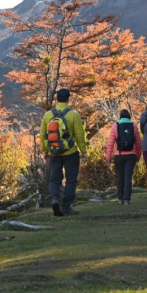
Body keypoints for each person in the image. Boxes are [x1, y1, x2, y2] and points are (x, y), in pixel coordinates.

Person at [40, 88, 87, 216]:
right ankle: (66, 207)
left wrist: (45, 151)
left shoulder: (48, 115)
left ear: (56, 99)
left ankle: (55, 200)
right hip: (70, 153)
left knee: (54, 180)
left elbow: (43, 134)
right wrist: (83, 151)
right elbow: (79, 135)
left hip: (54, 152)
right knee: (71, 180)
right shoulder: (73, 114)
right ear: (68, 99)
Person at [105, 109, 142, 205]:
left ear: (120, 116)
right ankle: (127, 199)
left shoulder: (115, 126)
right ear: (129, 116)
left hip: (119, 155)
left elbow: (110, 142)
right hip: (131, 155)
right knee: (128, 177)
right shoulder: (133, 126)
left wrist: (108, 157)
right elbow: (138, 142)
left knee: (120, 176)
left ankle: (120, 198)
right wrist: (138, 155)